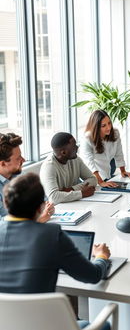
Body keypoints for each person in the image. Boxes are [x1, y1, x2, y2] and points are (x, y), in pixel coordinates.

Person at [0, 173, 110, 330]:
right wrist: (101, 257)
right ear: (40, 207)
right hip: (43, 325)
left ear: (5, 203)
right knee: (103, 325)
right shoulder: (51, 235)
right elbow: (92, 276)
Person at [0, 132, 54, 222]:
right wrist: (37, 220)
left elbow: (44, 199)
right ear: (3, 163)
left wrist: (48, 207)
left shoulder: (21, 175)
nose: (24, 160)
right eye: (18, 158)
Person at [80, 110, 130, 188]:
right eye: (103, 125)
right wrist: (100, 182)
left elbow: (119, 153)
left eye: (109, 123)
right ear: (96, 126)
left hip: (106, 172)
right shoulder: (87, 138)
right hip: (92, 176)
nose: (108, 128)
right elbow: (89, 163)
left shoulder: (115, 133)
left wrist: (123, 171)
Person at [40, 132, 97, 205]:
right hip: (56, 208)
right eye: (74, 146)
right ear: (63, 152)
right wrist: (82, 193)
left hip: (73, 203)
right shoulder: (49, 167)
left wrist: (71, 189)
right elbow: (54, 198)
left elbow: (93, 179)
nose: (77, 147)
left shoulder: (76, 159)